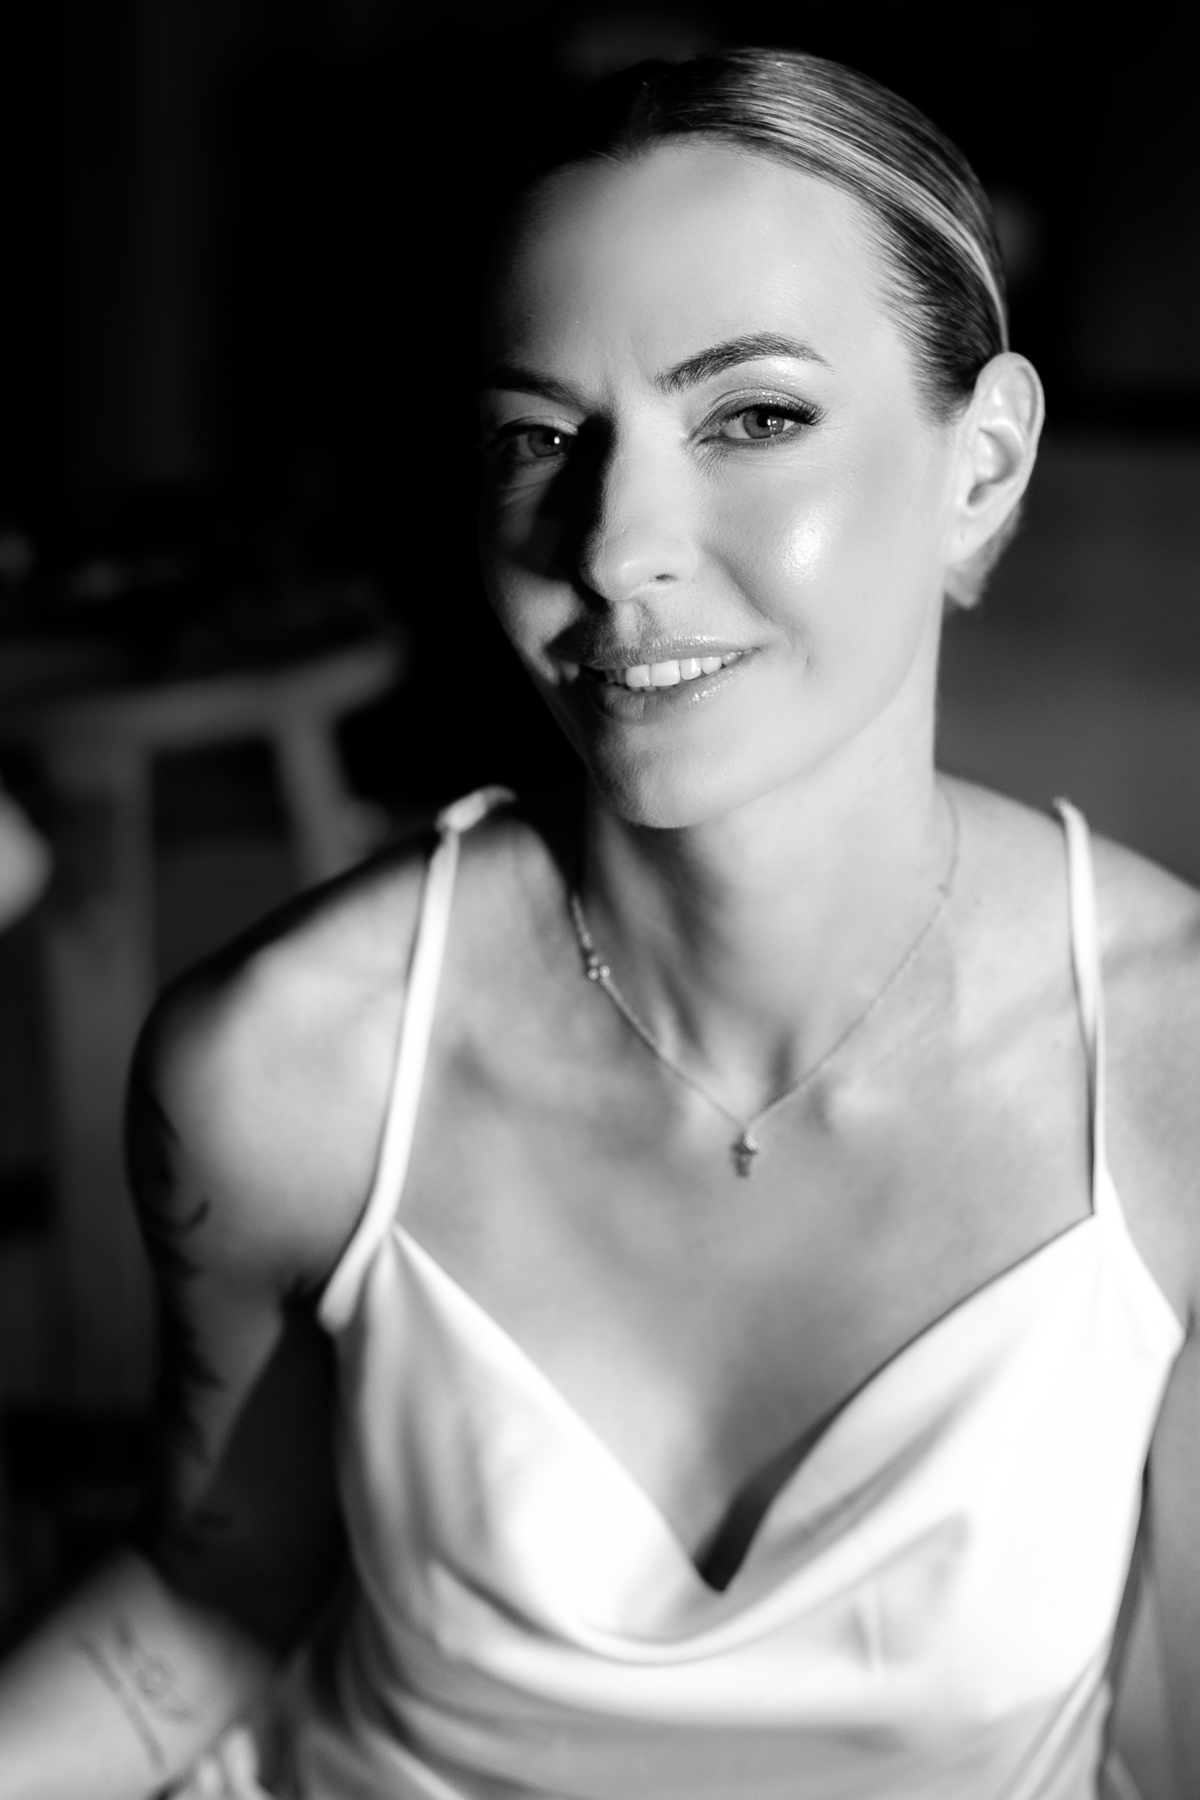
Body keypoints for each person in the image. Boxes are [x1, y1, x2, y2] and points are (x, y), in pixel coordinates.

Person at [0, 45, 1197, 1800]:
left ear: (985, 461)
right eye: (539, 438)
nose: (616, 543)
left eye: (754, 418)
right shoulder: (288, 1062)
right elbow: (217, 1601)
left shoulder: (1172, 1070)